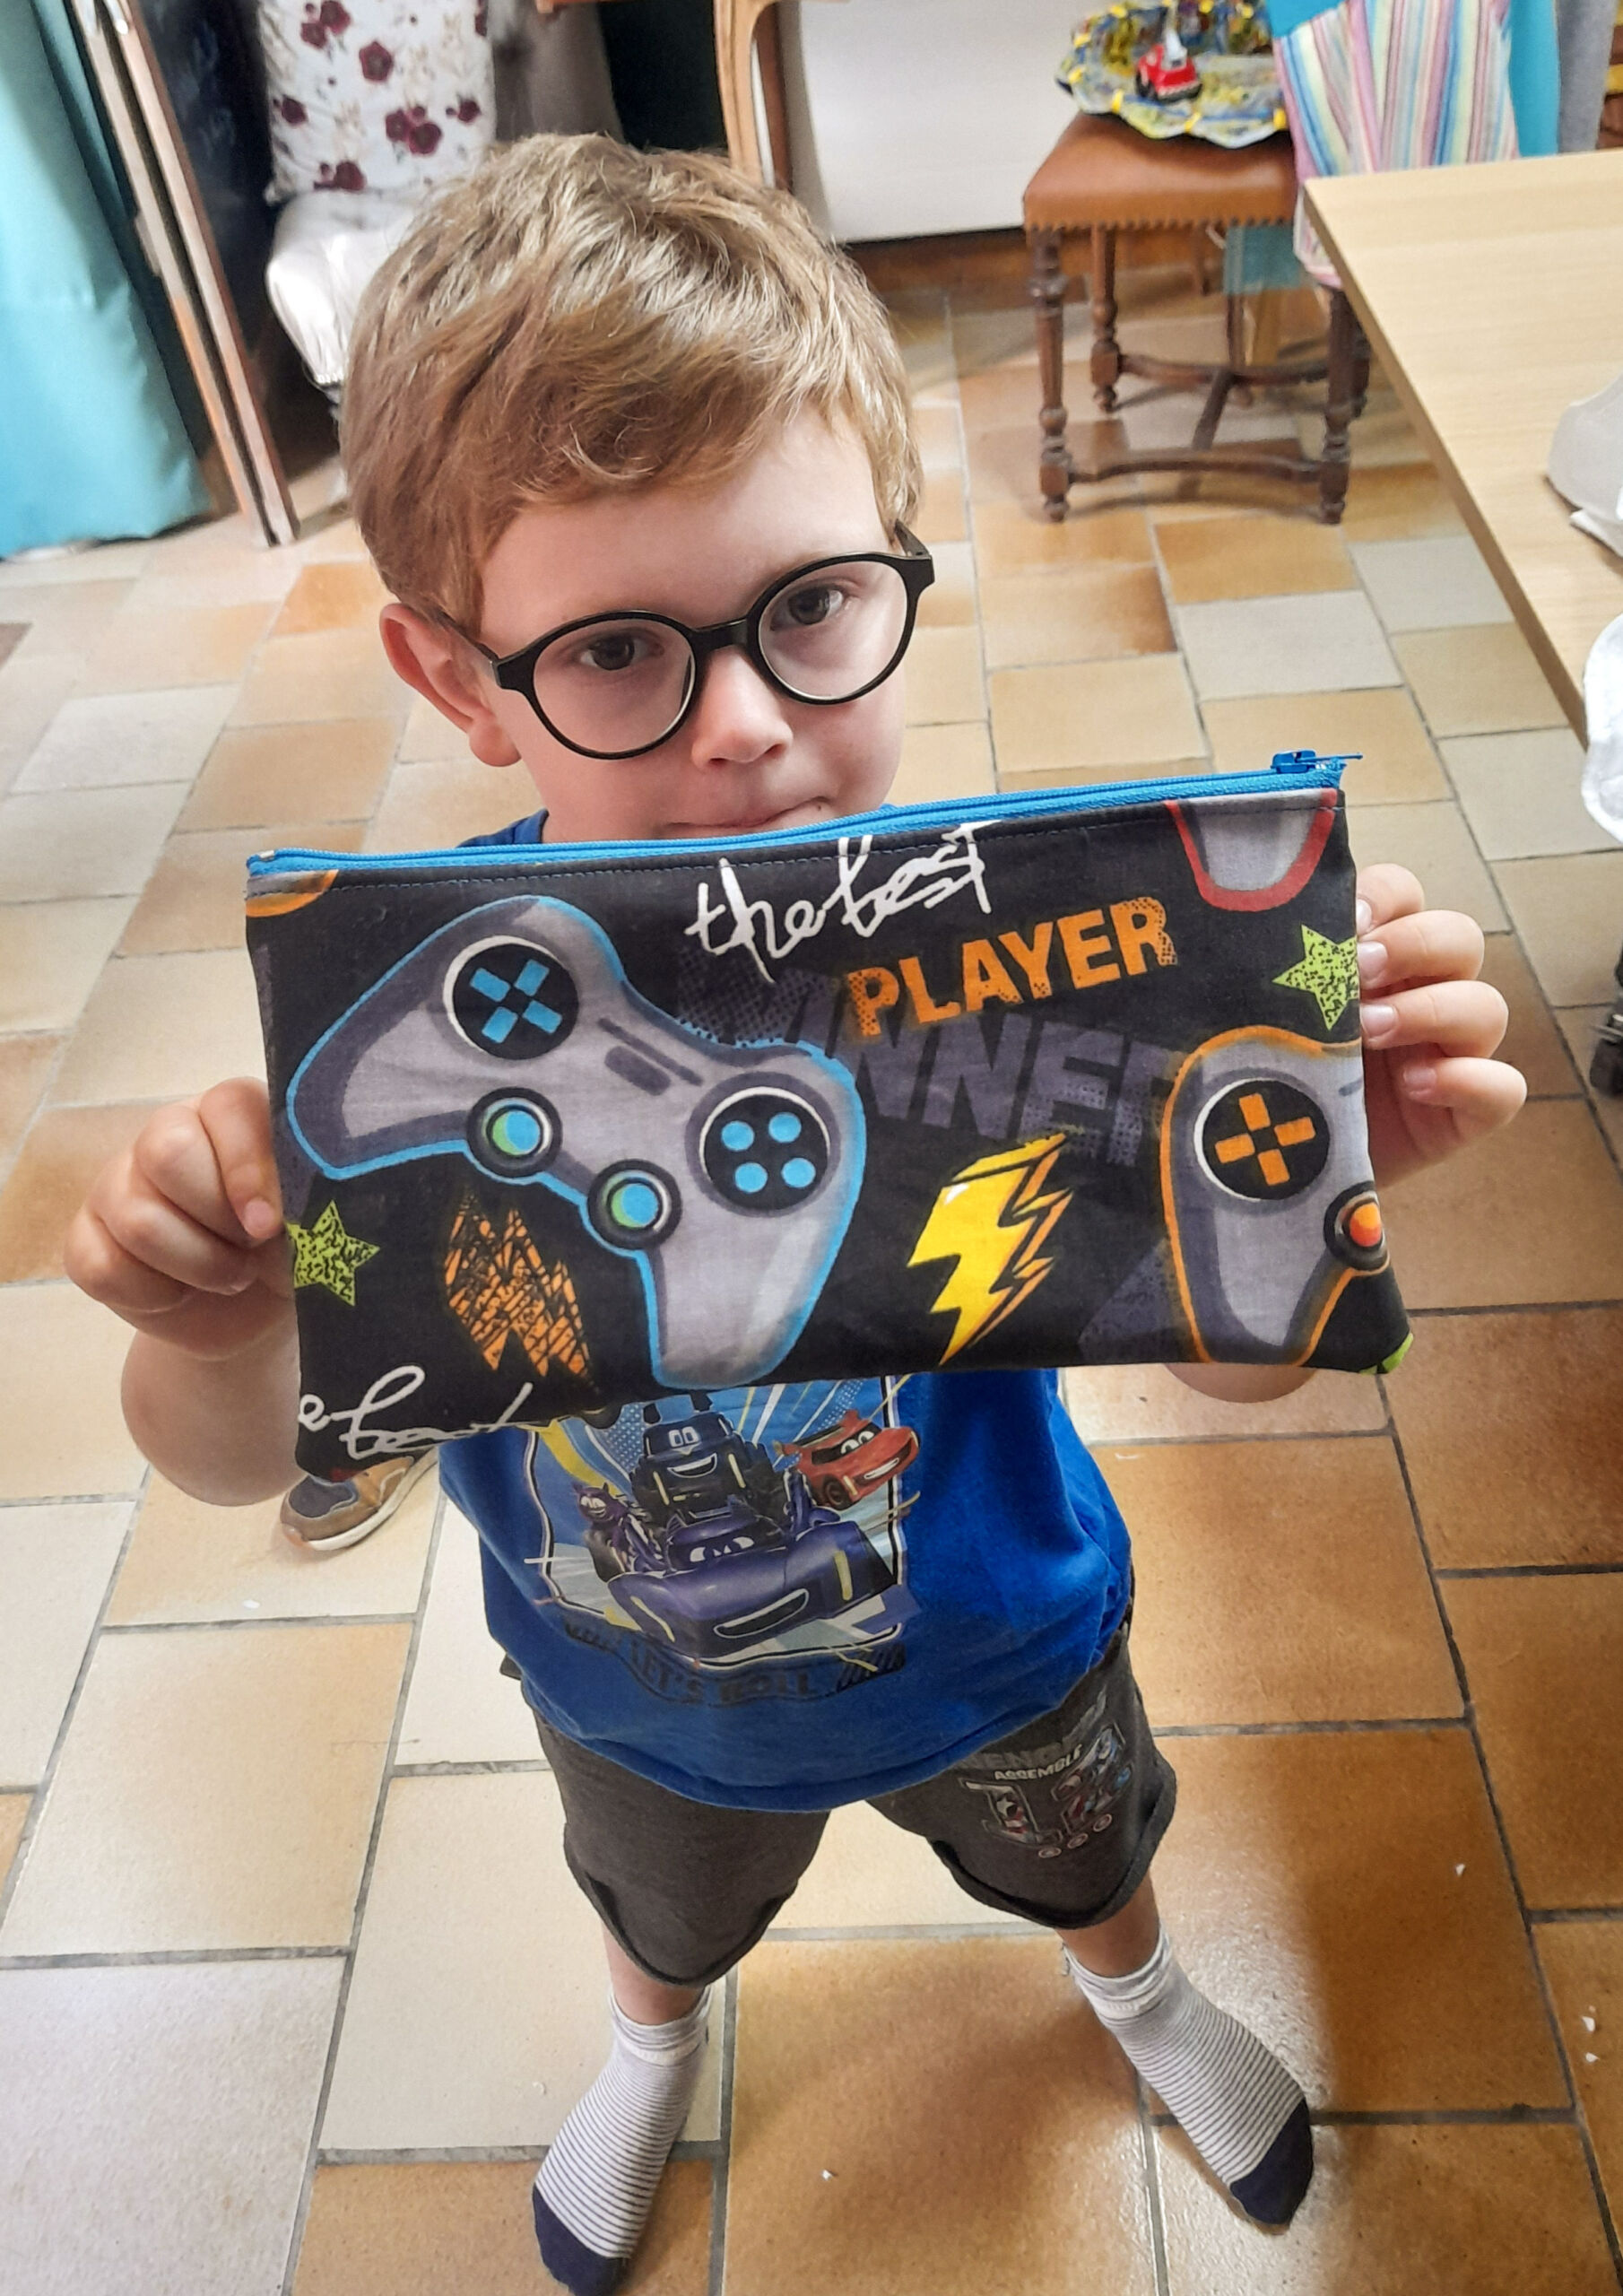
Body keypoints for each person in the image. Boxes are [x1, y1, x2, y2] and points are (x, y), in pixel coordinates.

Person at [65, 136, 1524, 2296]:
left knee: (1085, 1851)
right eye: (616, 651)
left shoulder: (1033, 961)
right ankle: (652, 2035)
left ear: (898, 553)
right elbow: (239, 1459)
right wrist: (213, 1317)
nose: (748, 727)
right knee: (657, 1907)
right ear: (459, 681)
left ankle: (1131, 1988)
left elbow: (1216, 1355)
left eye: (814, 606)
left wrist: (1301, 1184)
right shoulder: (422, 1026)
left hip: (1002, 1636)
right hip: (631, 1689)